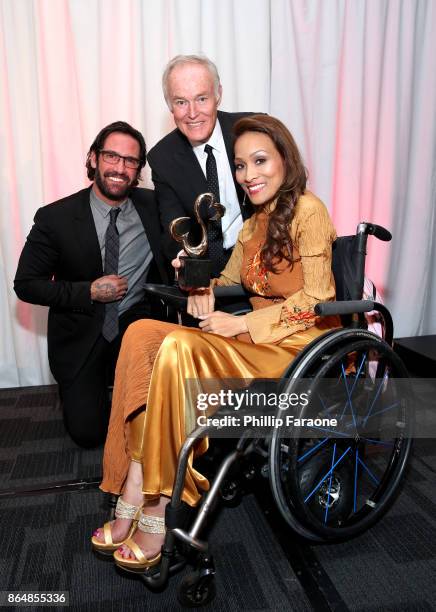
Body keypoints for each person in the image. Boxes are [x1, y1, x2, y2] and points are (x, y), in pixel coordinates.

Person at [91, 115, 340, 571]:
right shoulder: (252, 225)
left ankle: (156, 504)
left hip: (296, 347)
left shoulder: (308, 209)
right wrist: (199, 281)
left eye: (260, 161)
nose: (250, 175)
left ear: (286, 159)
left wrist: (243, 325)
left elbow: (319, 297)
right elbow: (228, 280)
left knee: (180, 347)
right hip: (257, 339)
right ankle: (135, 476)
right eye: (242, 165)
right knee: (143, 333)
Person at [14, 121, 168, 448]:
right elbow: (26, 284)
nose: (120, 168)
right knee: (88, 435)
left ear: (139, 168)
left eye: (130, 161)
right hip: (82, 334)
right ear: (94, 158)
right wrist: (88, 291)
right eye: (112, 156)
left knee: (162, 423)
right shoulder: (54, 218)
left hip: (135, 325)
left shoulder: (154, 207)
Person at [147, 54, 256, 276]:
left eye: (202, 99)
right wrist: (182, 258)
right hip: (206, 275)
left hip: (261, 262)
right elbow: (173, 226)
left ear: (218, 95)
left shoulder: (253, 130)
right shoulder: (162, 157)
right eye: (181, 102)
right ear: (170, 107)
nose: (193, 113)